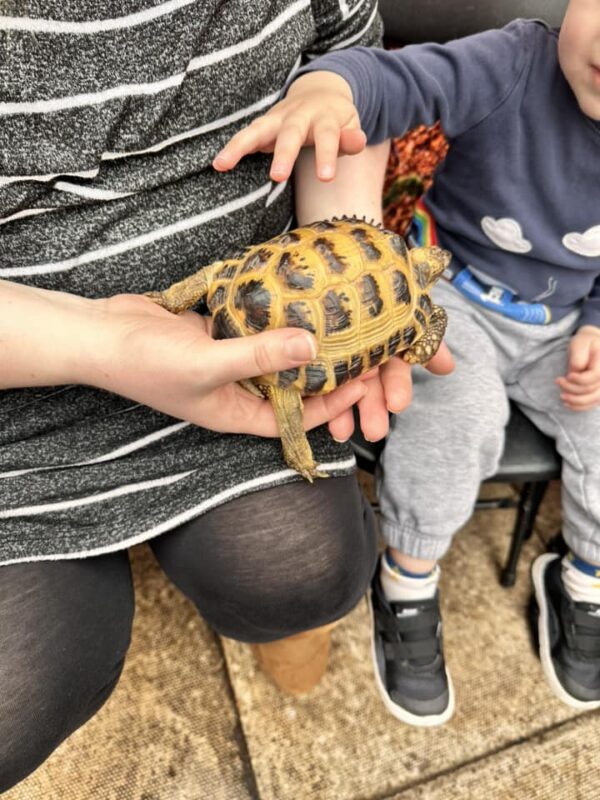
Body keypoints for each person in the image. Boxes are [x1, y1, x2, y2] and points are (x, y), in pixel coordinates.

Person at [0, 1, 457, 791]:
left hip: (242, 333)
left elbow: (349, 65)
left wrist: (343, 231)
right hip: (27, 357)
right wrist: (103, 345)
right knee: (19, 684)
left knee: (306, 567)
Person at [215, 0, 600, 726]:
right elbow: (390, 81)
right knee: (458, 411)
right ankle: (409, 575)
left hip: (567, 326)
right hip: (448, 291)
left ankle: (585, 578)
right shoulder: (514, 61)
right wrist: (334, 87)